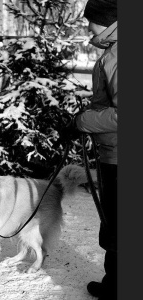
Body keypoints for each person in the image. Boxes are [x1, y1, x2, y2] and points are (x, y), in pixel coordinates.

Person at [74, 0, 117, 299]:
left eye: (90, 19)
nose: (87, 25)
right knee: (115, 226)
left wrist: (83, 120)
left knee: (118, 229)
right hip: (114, 152)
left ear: (107, 19)